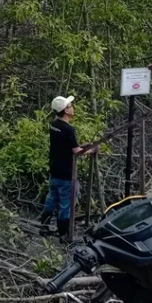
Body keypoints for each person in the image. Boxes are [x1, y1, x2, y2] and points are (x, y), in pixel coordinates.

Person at [40, 95, 94, 238]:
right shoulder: (68, 129)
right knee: (66, 204)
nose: (72, 107)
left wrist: (79, 146)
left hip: (54, 170)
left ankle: (44, 226)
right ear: (65, 111)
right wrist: (91, 150)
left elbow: (66, 146)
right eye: (70, 106)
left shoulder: (54, 125)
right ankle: (64, 234)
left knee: (52, 198)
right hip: (66, 174)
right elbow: (76, 151)